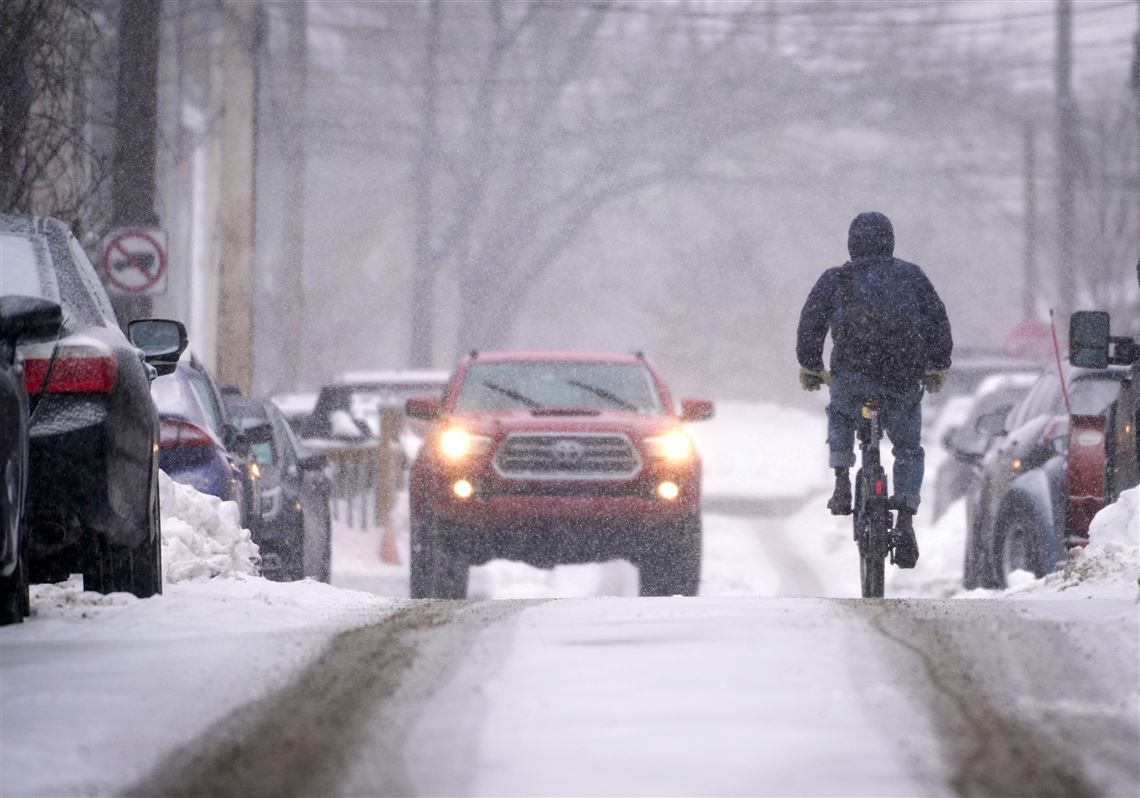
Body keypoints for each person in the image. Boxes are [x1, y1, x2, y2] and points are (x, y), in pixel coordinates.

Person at [796, 211, 952, 568]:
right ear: (890, 241)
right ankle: (906, 517)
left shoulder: (837, 278)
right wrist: (937, 365)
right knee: (908, 448)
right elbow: (937, 321)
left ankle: (841, 480)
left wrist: (811, 366)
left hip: (852, 376)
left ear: (852, 243)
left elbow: (811, 322)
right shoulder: (912, 276)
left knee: (840, 413)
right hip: (902, 378)